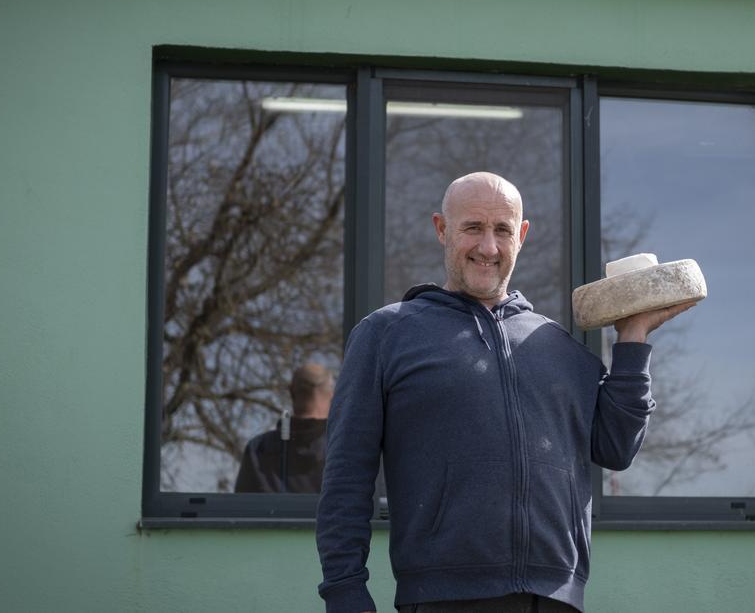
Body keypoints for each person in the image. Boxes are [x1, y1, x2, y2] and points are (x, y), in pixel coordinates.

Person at [316, 172, 693, 613]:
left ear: (523, 235)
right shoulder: (386, 335)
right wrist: (345, 593)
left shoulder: (561, 348)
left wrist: (632, 339)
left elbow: (616, 447)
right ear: (442, 229)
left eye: (502, 231)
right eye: (472, 228)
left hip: (556, 598)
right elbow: (345, 480)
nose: (488, 248)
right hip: (443, 598)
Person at [234, 363, 334, 494]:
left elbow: (241, 509)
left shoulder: (259, 450)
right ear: (332, 395)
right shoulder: (347, 449)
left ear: (292, 393)